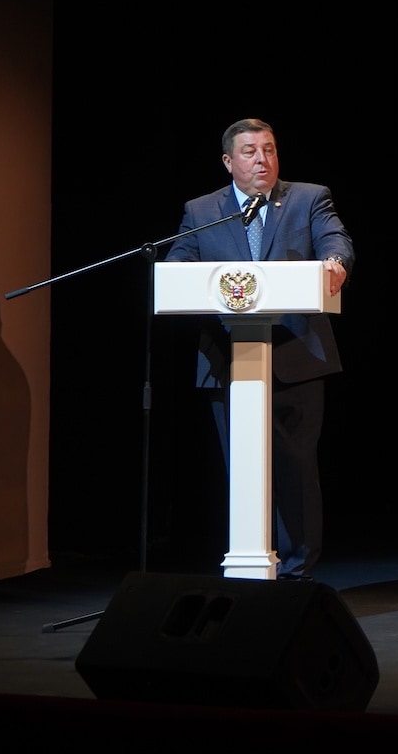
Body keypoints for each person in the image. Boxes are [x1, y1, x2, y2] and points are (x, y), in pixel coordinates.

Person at [164, 117, 353, 580]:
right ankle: (250, 567)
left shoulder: (309, 198)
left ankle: (296, 571)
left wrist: (335, 261)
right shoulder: (202, 210)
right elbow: (179, 264)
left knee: (296, 470)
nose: (262, 160)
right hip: (227, 360)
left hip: (297, 355)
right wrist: (175, 273)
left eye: (269, 149)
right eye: (249, 152)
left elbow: (335, 239)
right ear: (229, 162)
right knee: (243, 470)